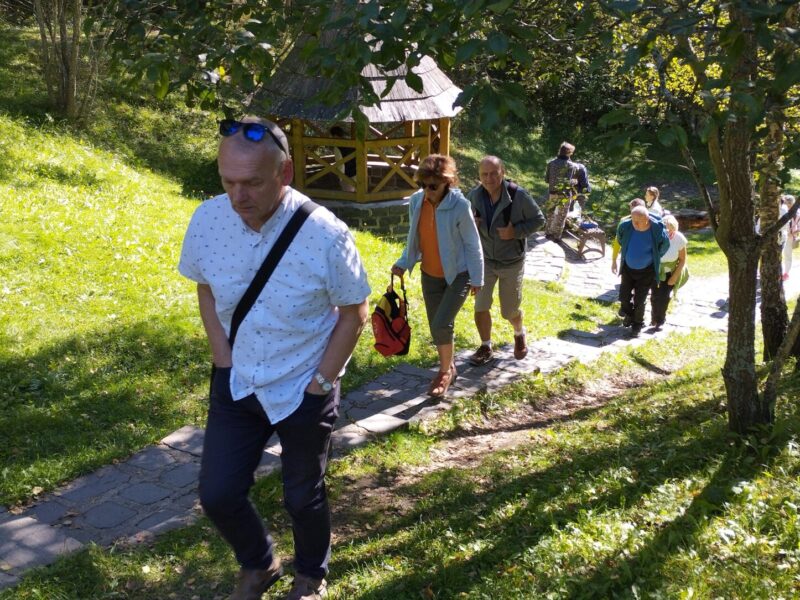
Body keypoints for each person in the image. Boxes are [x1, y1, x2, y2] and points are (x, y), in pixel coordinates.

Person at [179, 117, 371, 600]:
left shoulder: (325, 234)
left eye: (252, 183)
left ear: (284, 174)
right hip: (237, 380)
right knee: (218, 494)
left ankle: (310, 575)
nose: (238, 196)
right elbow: (205, 285)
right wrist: (221, 355)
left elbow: (354, 312)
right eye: (228, 182)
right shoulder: (207, 219)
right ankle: (260, 561)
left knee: (302, 494)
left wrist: (322, 383)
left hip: (303, 385)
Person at [392, 154, 483, 397]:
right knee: (437, 326)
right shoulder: (416, 202)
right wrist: (403, 263)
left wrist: (477, 278)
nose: (427, 190)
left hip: (459, 275)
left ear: (448, 182)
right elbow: (415, 239)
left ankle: (444, 374)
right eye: (422, 185)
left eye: (433, 186)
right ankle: (449, 366)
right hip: (429, 274)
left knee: (442, 322)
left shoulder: (460, 205)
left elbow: (473, 244)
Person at [466, 156, 544, 365]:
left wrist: (516, 232)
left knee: (509, 310)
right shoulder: (474, 196)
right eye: (484, 174)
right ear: (479, 176)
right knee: (480, 306)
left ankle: (519, 333)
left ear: (503, 172)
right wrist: (471, 222)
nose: (489, 178)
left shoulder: (519, 196)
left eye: (494, 173)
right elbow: (464, 222)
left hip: (511, 261)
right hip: (485, 261)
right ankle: (485, 346)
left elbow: (539, 220)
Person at [611, 205, 670, 337]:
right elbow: (620, 240)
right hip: (628, 268)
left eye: (639, 222)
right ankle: (630, 315)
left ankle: (637, 325)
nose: (635, 224)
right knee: (624, 297)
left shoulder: (657, 229)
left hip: (647, 270)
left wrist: (654, 256)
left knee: (640, 299)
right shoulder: (625, 226)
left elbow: (665, 245)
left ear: (647, 219)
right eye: (633, 220)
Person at [650, 214, 688, 330]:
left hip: (669, 273)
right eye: (665, 228)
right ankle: (654, 316)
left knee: (664, 297)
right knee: (654, 296)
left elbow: (682, 260)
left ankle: (660, 319)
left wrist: (674, 277)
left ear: (674, 228)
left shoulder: (679, 239)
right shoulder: (656, 237)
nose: (667, 231)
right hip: (654, 271)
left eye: (670, 228)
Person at [544, 141, 585, 239]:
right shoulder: (572, 166)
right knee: (561, 216)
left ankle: (548, 232)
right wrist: (575, 181)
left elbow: (546, 179)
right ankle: (557, 236)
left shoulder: (551, 163)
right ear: (569, 153)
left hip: (552, 192)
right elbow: (569, 182)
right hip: (565, 195)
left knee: (551, 212)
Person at [781, 194, 798, 280]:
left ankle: (786, 273)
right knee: (779, 253)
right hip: (783, 234)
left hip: (791, 236)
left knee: (788, 255)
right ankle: (778, 272)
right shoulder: (783, 211)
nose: (786, 205)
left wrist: (793, 233)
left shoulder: (797, 213)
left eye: (788, 203)